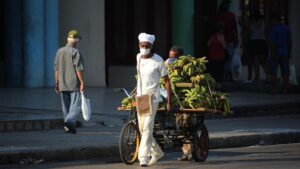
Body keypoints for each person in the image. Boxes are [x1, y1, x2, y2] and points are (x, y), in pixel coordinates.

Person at [136, 33, 172, 167]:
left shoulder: (158, 60)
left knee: (147, 127)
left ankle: (143, 157)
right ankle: (157, 152)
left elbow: (167, 81)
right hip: (141, 97)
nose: (144, 48)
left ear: (151, 46)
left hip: (153, 97)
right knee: (142, 128)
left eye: (147, 46)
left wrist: (169, 100)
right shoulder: (138, 57)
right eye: (142, 45)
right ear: (139, 45)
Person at [54, 30, 85, 134]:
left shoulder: (59, 51)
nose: (78, 42)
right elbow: (78, 69)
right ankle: (69, 121)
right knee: (77, 106)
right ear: (76, 40)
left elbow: (56, 69)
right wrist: (82, 82)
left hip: (62, 84)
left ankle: (68, 128)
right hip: (73, 84)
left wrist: (57, 83)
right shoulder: (75, 52)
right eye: (78, 40)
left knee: (66, 107)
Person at [164, 46, 192, 161]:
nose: (172, 60)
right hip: (174, 99)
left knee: (187, 125)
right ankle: (185, 152)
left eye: (174, 57)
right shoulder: (166, 64)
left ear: (181, 57)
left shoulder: (188, 65)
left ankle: (190, 151)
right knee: (179, 126)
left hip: (186, 100)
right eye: (170, 57)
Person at [212, 0, 238, 82]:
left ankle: (224, 76)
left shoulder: (218, 16)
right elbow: (234, 29)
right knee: (229, 59)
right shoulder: (231, 16)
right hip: (229, 40)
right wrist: (236, 39)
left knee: (222, 59)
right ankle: (228, 75)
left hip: (220, 41)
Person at [269, 13, 292, 94]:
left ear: (275, 20)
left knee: (273, 72)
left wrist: (273, 52)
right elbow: (289, 42)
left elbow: (273, 43)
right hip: (285, 51)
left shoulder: (274, 29)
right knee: (285, 72)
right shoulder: (287, 28)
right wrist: (289, 52)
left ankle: (274, 89)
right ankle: (285, 90)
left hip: (276, 52)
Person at [247, 10, 269, 82]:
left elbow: (249, 34)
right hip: (262, 42)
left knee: (256, 61)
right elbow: (266, 33)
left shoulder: (251, 24)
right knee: (263, 61)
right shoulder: (264, 23)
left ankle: (257, 77)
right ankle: (268, 75)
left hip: (254, 42)